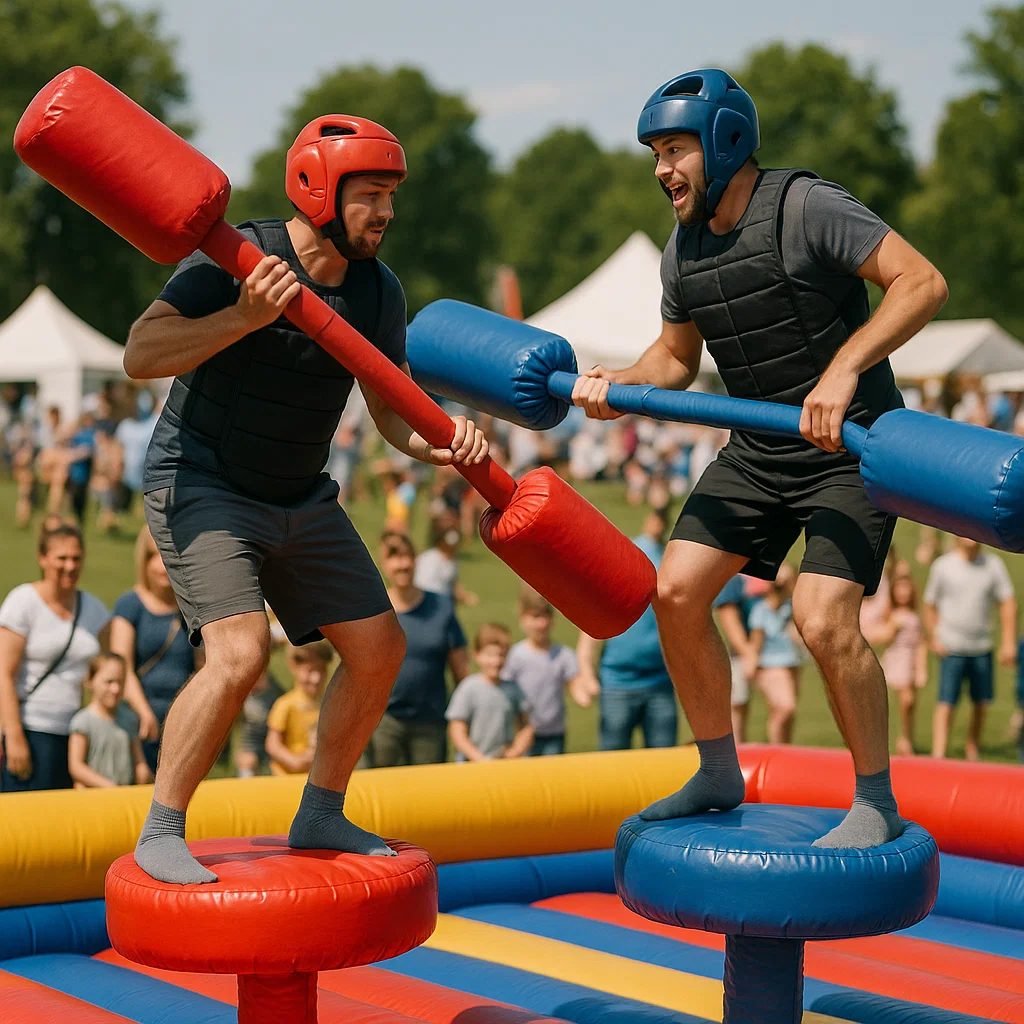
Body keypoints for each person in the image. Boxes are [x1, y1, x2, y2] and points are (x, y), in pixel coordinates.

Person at [573, 69, 948, 847]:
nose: (660, 171)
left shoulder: (810, 208)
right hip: (757, 448)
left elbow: (922, 283)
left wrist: (845, 370)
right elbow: (675, 358)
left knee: (821, 619)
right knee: (673, 594)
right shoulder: (683, 248)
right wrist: (624, 382)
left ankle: (875, 801)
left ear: (724, 142)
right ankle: (717, 772)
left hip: (852, 447)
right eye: (655, 153)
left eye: (673, 150)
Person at [122, 115, 489, 883]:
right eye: (373, 195)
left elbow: (390, 411)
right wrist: (243, 317)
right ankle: (160, 830)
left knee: (380, 647)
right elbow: (139, 354)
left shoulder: (376, 289)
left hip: (298, 493)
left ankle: (320, 813)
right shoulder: (240, 259)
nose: (386, 212)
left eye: (392, 196)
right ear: (319, 191)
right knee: (239, 653)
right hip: (201, 480)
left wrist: (443, 441)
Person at [0, 523, 111, 791]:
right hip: (31, 728)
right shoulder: (23, 601)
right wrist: (14, 736)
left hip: (75, 733)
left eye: (76, 558)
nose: (70, 566)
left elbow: (111, 666)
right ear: (43, 558)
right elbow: (4, 673)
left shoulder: (94, 610)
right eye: (61, 558)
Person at [575, 509, 678, 750]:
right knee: (612, 763)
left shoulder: (667, 562)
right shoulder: (622, 562)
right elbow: (591, 627)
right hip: (617, 682)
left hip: (659, 680)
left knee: (664, 763)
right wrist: (586, 672)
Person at [363, 532, 469, 767]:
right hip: (384, 721)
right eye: (394, 557)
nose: (402, 564)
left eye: (407, 556)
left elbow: (460, 669)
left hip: (430, 723)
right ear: (383, 563)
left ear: (416, 560)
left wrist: (467, 714)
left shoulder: (441, 607)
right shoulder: (373, 609)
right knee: (384, 794)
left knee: (429, 796)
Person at [109, 526, 198, 775]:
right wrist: (143, 711)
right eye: (153, 556)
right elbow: (121, 665)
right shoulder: (130, 605)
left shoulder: (191, 609)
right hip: (139, 720)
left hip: (182, 720)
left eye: (168, 555)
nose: (161, 565)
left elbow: (203, 668)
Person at [925, 536, 1017, 761]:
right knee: (946, 701)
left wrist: (1008, 641)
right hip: (951, 647)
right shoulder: (943, 566)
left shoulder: (993, 565)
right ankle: (939, 753)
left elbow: (1008, 603)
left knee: (981, 702)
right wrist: (935, 636)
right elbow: (929, 604)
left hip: (981, 647)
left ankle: (972, 747)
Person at [503, 586, 583, 756]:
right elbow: (505, 690)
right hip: (522, 732)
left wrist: (583, 692)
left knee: (553, 780)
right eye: (535, 617)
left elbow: (575, 683)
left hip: (554, 732)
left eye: (546, 617)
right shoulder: (516, 655)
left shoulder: (563, 655)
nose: (542, 623)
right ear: (523, 619)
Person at [446, 623, 533, 762]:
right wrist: (478, 757)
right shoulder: (468, 688)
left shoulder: (513, 689)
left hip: (503, 763)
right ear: (477, 654)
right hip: (471, 765)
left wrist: (516, 751)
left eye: (502, 655)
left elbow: (526, 726)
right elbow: (457, 730)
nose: (496, 661)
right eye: (490, 655)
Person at [68, 653, 151, 788]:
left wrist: (143, 775)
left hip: (124, 797)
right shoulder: (82, 721)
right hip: (94, 798)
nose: (115, 689)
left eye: (120, 682)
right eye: (109, 682)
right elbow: (76, 766)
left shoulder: (129, 719)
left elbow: (138, 760)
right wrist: (109, 787)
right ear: (90, 681)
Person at [743, 565, 801, 745]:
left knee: (784, 714)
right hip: (770, 666)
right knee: (786, 707)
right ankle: (777, 748)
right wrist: (751, 663)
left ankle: (784, 748)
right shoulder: (761, 611)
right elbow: (756, 641)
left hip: (791, 663)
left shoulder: (791, 608)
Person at [877, 575, 928, 756]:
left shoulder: (914, 616)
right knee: (906, 699)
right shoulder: (894, 616)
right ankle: (903, 740)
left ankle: (906, 737)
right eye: (899, 588)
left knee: (911, 702)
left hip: (911, 660)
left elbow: (921, 642)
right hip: (898, 659)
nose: (903, 593)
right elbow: (885, 636)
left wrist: (922, 668)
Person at [265, 642, 334, 775]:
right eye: (310, 671)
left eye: (322, 670)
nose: (316, 678)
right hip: (286, 780)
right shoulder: (285, 704)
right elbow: (272, 744)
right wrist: (293, 761)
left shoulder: (329, 705)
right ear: (294, 666)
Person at [712, 574, 760, 744]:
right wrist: (748, 653)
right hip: (740, 654)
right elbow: (728, 616)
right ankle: (736, 754)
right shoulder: (732, 578)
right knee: (736, 707)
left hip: (762, 652)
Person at [114, 390, 159, 514]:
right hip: (127, 472)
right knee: (123, 507)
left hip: (149, 471)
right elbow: (118, 447)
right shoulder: (126, 425)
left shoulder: (155, 422)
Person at [414, 527, 479, 606]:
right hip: (430, 599)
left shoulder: (452, 560)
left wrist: (465, 596)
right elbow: (425, 584)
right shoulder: (429, 558)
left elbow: (454, 582)